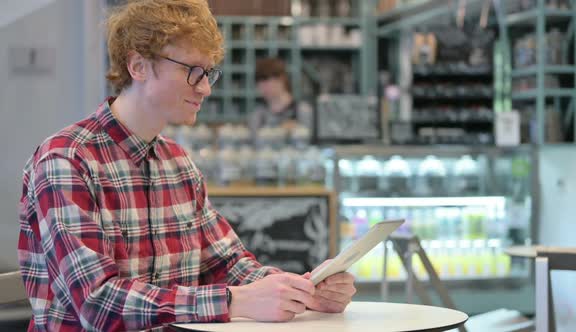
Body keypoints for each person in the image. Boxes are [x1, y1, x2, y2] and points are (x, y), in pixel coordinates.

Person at [17, 1, 356, 331]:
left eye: (209, 73)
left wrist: (301, 290)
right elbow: (97, 305)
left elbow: (226, 264)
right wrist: (235, 302)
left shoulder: (178, 163)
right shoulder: (66, 160)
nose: (206, 88)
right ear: (138, 66)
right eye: (193, 72)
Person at [249, 57, 313, 135]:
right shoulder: (257, 116)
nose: (262, 87)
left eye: (266, 81)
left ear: (281, 79)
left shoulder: (303, 111)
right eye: (259, 82)